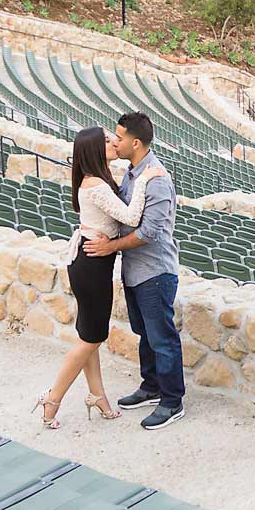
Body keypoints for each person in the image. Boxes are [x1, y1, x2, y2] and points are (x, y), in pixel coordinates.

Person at [33, 127, 146, 428]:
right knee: (91, 339)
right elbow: (132, 218)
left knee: (90, 337)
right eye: (107, 141)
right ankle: (52, 398)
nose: (113, 143)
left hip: (90, 260)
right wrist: (146, 179)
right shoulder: (96, 184)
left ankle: (98, 397)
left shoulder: (97, 179)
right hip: (93, 265)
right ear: (95, 150)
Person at [83, 111, 184, 430]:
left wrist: (110, 247)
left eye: (119, 137)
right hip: (134, 270)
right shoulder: (131, 173)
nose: (115, 140)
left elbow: (150, 231)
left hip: (154, 270)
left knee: (162, 337)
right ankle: (151, 386)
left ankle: (172, 401)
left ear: (135, 142)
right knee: (144, 333)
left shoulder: (156, 177)